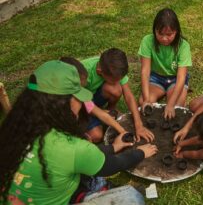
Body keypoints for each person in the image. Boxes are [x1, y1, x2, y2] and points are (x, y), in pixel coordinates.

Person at [0, 60, 158, 205]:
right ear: (63, 104)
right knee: (131, 197)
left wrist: (113, 147)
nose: (82, 103)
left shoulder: (16, 130)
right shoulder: (72, 146)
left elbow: (79, 158)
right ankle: (83, 195)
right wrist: (140, 153)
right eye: (78, 97)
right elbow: (111, 165)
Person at [81, 48, 154, 142]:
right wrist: (122, 131)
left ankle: (110, 111)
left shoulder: (115, 68)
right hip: (79, 104)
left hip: (90, 99)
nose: (119, 82)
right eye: (115, 80)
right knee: (96, 135)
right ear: (100, 72)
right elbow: (84, 105)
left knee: (116, 88)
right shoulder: (83, 74)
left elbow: (129, 96)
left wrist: (138, 124)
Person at [138, 8, 192, 119]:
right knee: (143, 102)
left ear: (176, 31)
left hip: (175, 79)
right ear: (154, 30)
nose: (164, 38)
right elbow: (145, 71)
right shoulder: (147, 41)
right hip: (155, 78)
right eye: (160, 33)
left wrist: (171, 105)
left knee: (177, 107)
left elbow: (181, 76)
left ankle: (175, 94)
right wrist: (147, 99)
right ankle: (160, 93)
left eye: (169, 34)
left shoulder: (183, 46)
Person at [60, 57, 127, 143]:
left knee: (96, 135)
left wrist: (122, 131)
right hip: (61, 130)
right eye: (78, 87)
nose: (81, 91)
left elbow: (96, 111)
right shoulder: (50, 103)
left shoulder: (78, 95)